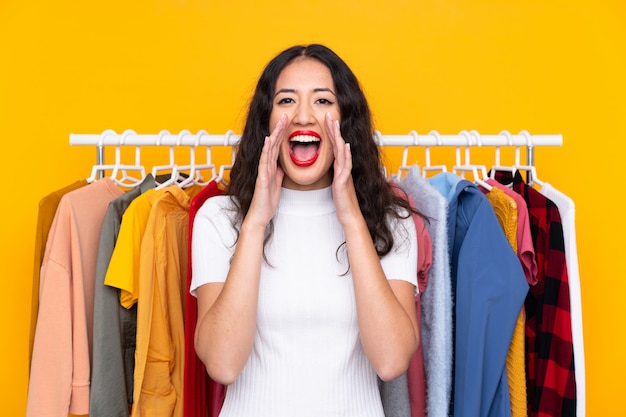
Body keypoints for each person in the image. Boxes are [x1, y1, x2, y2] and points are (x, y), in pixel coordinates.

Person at [191, 43, 420, 417]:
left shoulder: (390, 221)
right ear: (266, 121)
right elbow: (222, 364)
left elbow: (392, 360)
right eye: (285, 101)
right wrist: (256, 222)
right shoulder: (218, 219)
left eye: (323, 101)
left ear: (345, 121)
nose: (303, 116)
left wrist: (351, 220)